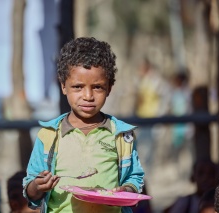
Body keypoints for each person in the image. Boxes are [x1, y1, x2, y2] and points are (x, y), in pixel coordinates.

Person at [23, 37, 145, 213]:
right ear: (63, 86)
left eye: (97, 87)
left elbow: (135, 177)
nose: (88, 96)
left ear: (109, 87)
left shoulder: (121, 136)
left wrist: (126, 191)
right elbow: (30, 189)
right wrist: (37, 186)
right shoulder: (49, 135)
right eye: (78, 87)